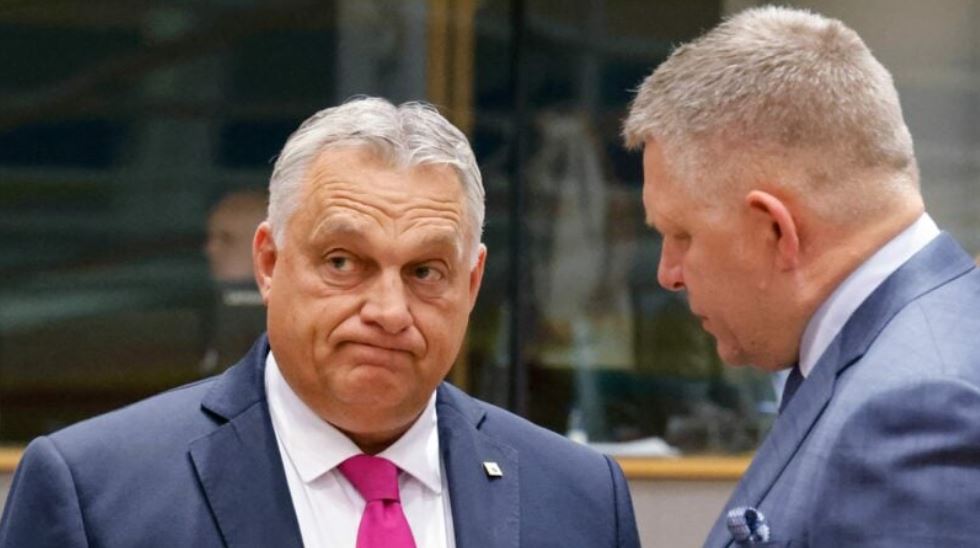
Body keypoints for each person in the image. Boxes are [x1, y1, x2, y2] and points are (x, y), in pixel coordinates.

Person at [0, 97, 641, 547]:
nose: (388, 312)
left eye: (425, 271)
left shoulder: (580, 501)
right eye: (343, 262)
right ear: (269, 263)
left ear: (471, 284)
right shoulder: (96, 497)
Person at [622, 6, 980, 547]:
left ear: (774, 230)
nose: (668, 274)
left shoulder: (917, 409)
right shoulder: (904, 355)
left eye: (682, 235)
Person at [200, 189, 269, 373]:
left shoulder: (286, 322)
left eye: (226, 239)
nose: (210, 249)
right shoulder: (199, 311)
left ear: (265, 248)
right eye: (210, 237)